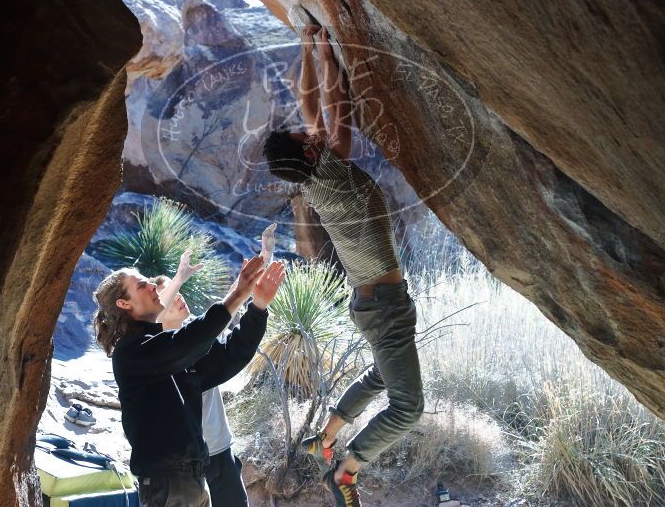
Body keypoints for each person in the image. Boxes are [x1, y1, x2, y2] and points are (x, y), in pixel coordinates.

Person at [261, 25, 424, 506]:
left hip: (376, 300)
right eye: (302, 134)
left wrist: (314, 47)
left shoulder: (321, 173)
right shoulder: (331, 171)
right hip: (383, 304)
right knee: (408, 406)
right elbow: (329, 101)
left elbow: (312, 102)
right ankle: (346, 470)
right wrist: (322, 51)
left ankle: (323, 438)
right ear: (310, 151)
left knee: (381, 374)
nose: (307, 127)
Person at [93, 255, 286, 507]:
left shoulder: (168, 349)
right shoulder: (131, 353)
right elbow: (190, 340)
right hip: (168, 483)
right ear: (124, 303)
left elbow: (230, 355)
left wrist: (258, 307)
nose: (152, 286)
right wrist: (237, 293)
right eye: (141, 285)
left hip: (194, 479)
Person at [150, 273, 248, 507]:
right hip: (184, 466)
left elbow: (225, 312)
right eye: (172, 295)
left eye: (180, 292)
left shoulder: (200, 336)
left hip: (221, 452)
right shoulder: (151, 355)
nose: (179, 297)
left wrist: (248, 280)